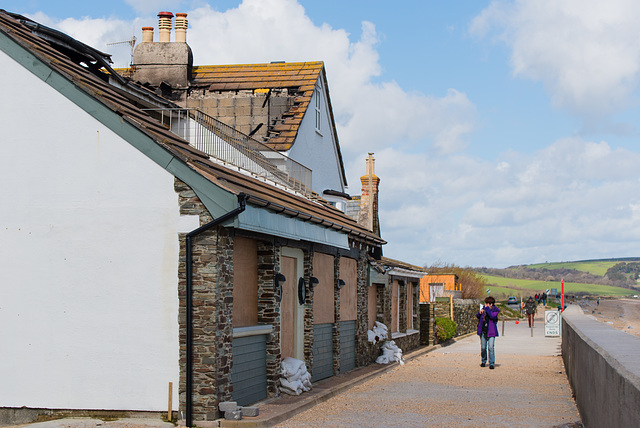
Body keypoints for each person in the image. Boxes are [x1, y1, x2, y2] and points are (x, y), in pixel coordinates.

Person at [476, 296, 500, 369]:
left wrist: (486, 309)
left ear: (491, 304)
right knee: (483, 347)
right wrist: (480, 313)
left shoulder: (495, 310)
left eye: (487, 303)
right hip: (483, 330)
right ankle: (483, 361)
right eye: (485, 303)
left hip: (491, 331)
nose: (486, 305)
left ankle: (491, 363)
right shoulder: (484, 309)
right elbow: (477, 316)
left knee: (491, 347)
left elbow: (492, 316)